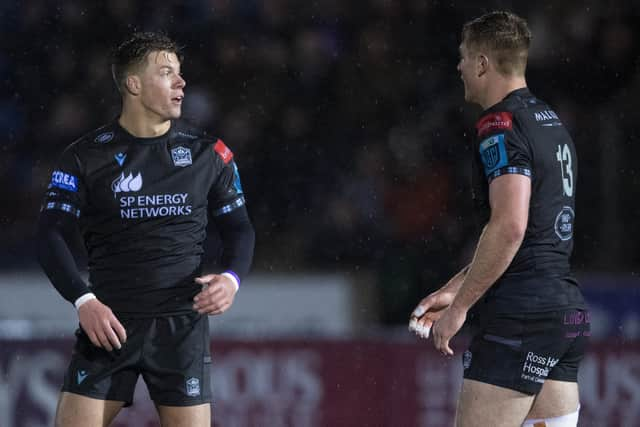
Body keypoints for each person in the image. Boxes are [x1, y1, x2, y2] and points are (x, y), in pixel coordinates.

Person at [36, 32, 255, 427]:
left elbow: (240, 229)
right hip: (109, 325)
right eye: (167, 73)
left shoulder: (209, 153)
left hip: (180, 327)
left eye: (181, 73)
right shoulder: (85, 156)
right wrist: (83, 301)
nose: (181, 83)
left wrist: (231, 279)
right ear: (133, 84)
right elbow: (49, 234)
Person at [409, 11, 589, 427]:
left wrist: (462, 309)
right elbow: (529, 235)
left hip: (519, 318)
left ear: (482, 64)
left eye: (463, 57)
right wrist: (456, 289)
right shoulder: (552, 123)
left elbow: (509, 226)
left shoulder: (500, 124)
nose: (458, 67)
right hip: (562, 315)